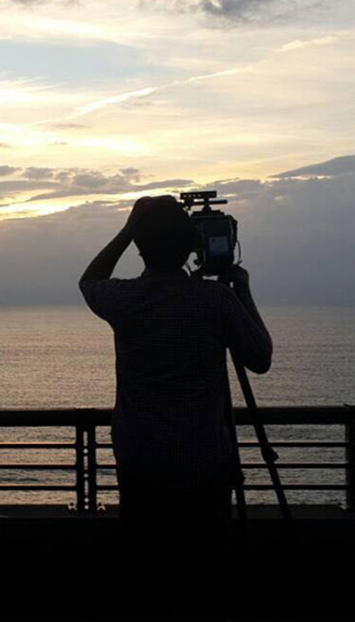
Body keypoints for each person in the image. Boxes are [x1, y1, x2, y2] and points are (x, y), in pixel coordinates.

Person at [79, 195, 272, 537]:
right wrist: (242, 288)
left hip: (141, 461)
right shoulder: (216, 300)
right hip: (205, 460)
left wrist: (128, 229)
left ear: (140, 247)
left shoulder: (125, 300)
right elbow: (260, 357)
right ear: (190, 245)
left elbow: (90, 281)